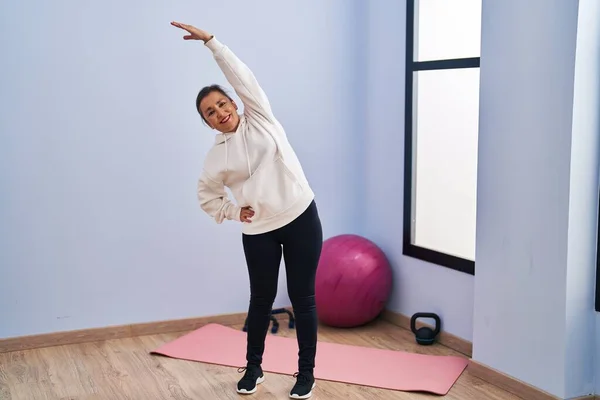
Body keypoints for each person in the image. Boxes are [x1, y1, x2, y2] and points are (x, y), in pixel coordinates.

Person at [171, 21, 323, 399]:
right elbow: (206, 195)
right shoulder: (216, 157)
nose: (219, 111)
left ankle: (306, 373)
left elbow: (242, 77)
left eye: (222, 103)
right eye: (210, 112)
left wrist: (212, 43)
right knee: (261, 300)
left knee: (303, 299)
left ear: (235, 103)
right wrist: (231, 212)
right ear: (207, 122)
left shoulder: (261, 118)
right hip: (260, 231)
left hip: (300, 216)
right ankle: (253, 368)